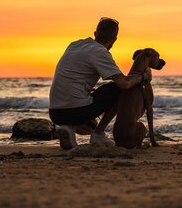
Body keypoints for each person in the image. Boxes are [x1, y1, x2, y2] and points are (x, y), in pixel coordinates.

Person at [48, 17, 152, 149]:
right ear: (114, 40)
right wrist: (143, 76)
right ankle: (98, 134)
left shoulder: (74, 44)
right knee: (119, 89)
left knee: (87, 111)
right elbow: (124, 83)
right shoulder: (100, 52)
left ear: (95, 34)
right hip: (76, 112)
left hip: (55, 113)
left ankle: (68, 129)